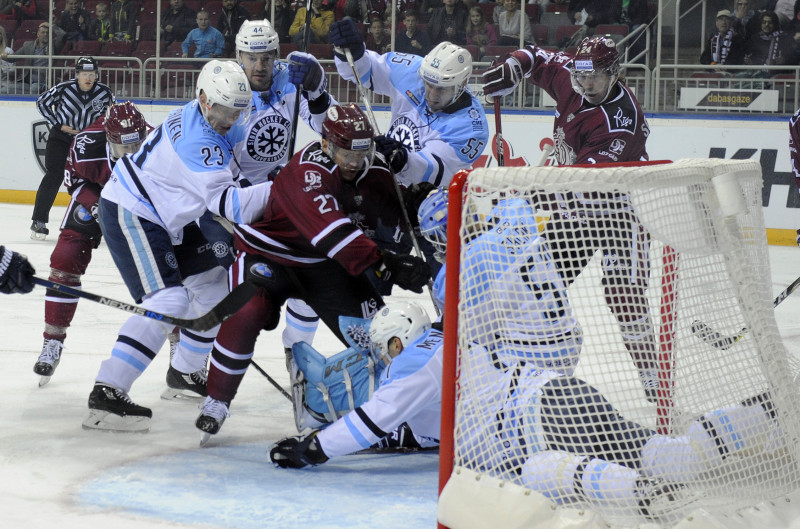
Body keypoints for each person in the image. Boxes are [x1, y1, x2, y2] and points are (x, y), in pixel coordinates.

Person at [194, 104, 431, 438]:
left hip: (324, 266)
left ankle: (395, 408)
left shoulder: (372, 168)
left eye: (360, 153)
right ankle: (217, 400)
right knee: (247, 311)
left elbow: (389, 215)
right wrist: (387, 263)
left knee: (380, 333)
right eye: (344, 152)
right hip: (269, 255)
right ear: (325, 144)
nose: (352, 162)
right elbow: (333, 234)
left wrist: (412, 207)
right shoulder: (305, 172)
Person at [82, 60, 273, 433]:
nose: (231, 118)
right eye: (224, 110)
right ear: (203, 100)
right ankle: (108, 390)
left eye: (238, 110)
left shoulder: (199, 114)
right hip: (132, 209)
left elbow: (232, 171)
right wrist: (285, 190)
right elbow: (229, 206)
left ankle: (184, 372)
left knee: (214, 287)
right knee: (168, 301)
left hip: (168, 216)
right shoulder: (198, 141)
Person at [481, 36, 659, 401]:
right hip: (574, 214)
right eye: (581, 76)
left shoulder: (621, 123)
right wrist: (514, 66)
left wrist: (526, 191)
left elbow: (580, 184)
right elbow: (535, 55)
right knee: (529, 285)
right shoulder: (574, 76)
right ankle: (512, 368)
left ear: (614, 73)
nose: (586, 84)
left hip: (619, 213)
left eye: (595, 76)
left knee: (622, 295)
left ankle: (654, 379)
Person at [226, 19, 337, 367]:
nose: (260, 67)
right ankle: (194, 360)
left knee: (313, 269)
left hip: (278, 195)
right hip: (231, 198)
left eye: (267, 58)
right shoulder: (224, 86)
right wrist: (244, 189)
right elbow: (210, 147)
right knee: (223, 288)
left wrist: (317, 90)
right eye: (251, 58)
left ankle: (298, 355)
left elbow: (328, 126)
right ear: (238, 55)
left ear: (276, 54)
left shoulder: (291, 78)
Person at [32, 102, 149, 387]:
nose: (132, 155)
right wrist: (98, 208)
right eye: (125, 149)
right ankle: (53, 342)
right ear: (109, 140)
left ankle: (182, 356)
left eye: (137, 147)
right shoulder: (84, 145)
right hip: (98, 194)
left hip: (144, 202)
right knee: (64, 261)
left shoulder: (158, 142)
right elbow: (75, 183)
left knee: (172, 273)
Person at [271, 301, 442, 464]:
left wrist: (314, 448)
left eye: (381, 348)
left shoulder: (413, 367)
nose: (381, 356)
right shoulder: (444, 329)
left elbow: (372, 421)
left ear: (397, 344)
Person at [329, 19, 489, 189]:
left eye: (441, 89)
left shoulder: (471, 127)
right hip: (385, 180)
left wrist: (403, 159)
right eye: (428, 84)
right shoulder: (414, 69)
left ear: (462, 85)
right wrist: (352, 50)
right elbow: (363, 70)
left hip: (428, 199)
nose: (432, 95)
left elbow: (435, 172)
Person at [31, 56, 114, 241]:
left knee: (94, 180)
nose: (89, 78)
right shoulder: (64, 88)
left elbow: (111, 115)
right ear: (77, 74)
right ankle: (39, 221)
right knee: (54, 175)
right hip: (61, 138)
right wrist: (58, 125)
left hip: (88, 143)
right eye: (84, 73)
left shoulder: (105, 93)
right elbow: (41, 103)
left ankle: (99, 222)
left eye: (92, 74)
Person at [12, 22, 65, 94]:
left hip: (44, 82)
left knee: (34, 89)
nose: (45, 34)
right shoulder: (28, 45)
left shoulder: (54, 46)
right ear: (38, 34)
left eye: (47, 33)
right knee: (4, 90)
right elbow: (13, 58)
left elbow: (63, 35)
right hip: (27, 82)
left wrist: (52, 25)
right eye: (43, 32)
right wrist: (3, 54)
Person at [741, 10, 796, 77]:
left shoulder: (784, 38)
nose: (767, 25)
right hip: (757, 76)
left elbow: (793, 59)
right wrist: (749, 62)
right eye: (764, 22)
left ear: (775, 24)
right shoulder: (755, 39)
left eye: (770, 22)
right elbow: (751, 57)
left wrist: (784, 60)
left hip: (778, 76)